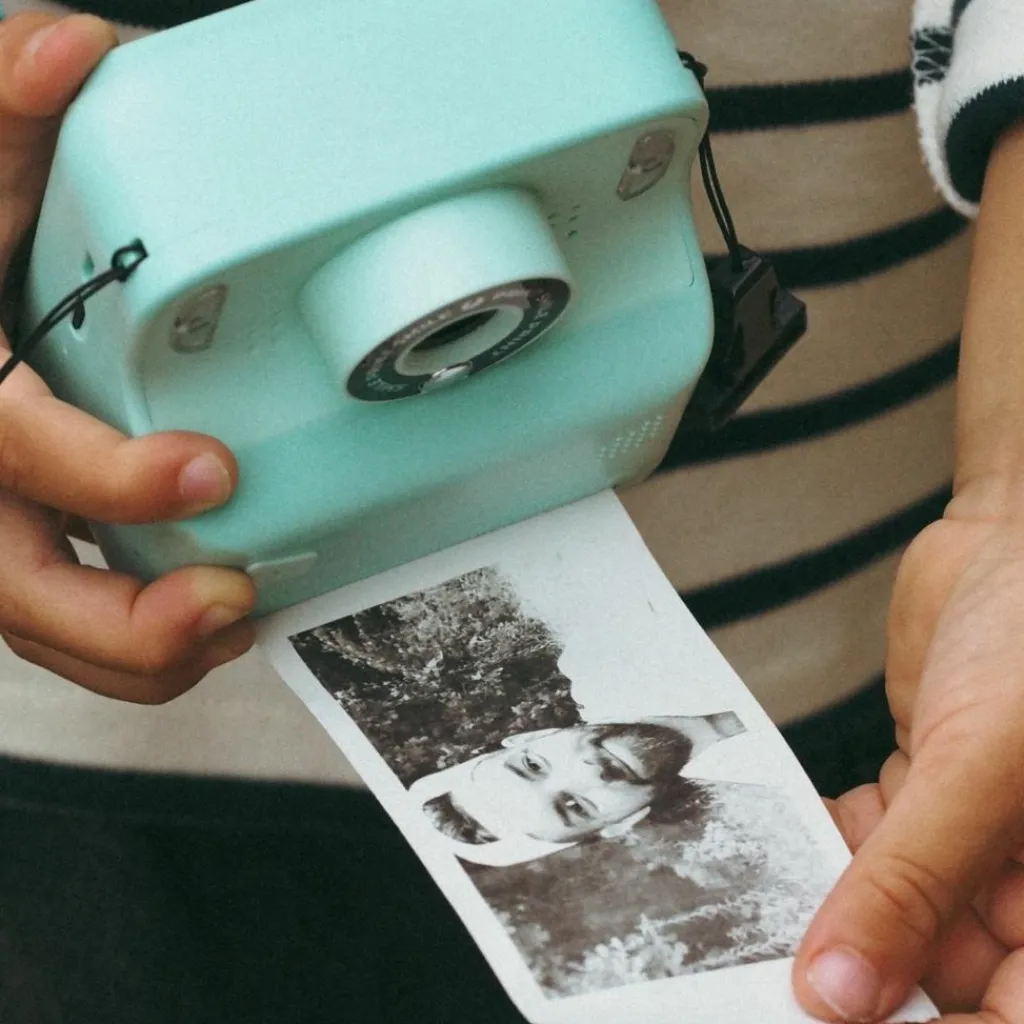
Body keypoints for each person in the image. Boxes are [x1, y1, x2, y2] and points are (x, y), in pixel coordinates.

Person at [3, 2, 1024, 1022]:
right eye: (569, 800)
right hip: (110, 750)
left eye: (537, 764)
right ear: (612, 829)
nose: (589, 765)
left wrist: (1007, 503)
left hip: (887, 637)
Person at [411, 714, 744, 864]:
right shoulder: (759, 770)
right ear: (622, 824)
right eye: (576, 807)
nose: (591, 772)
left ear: (531, 737)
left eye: (533, 765)